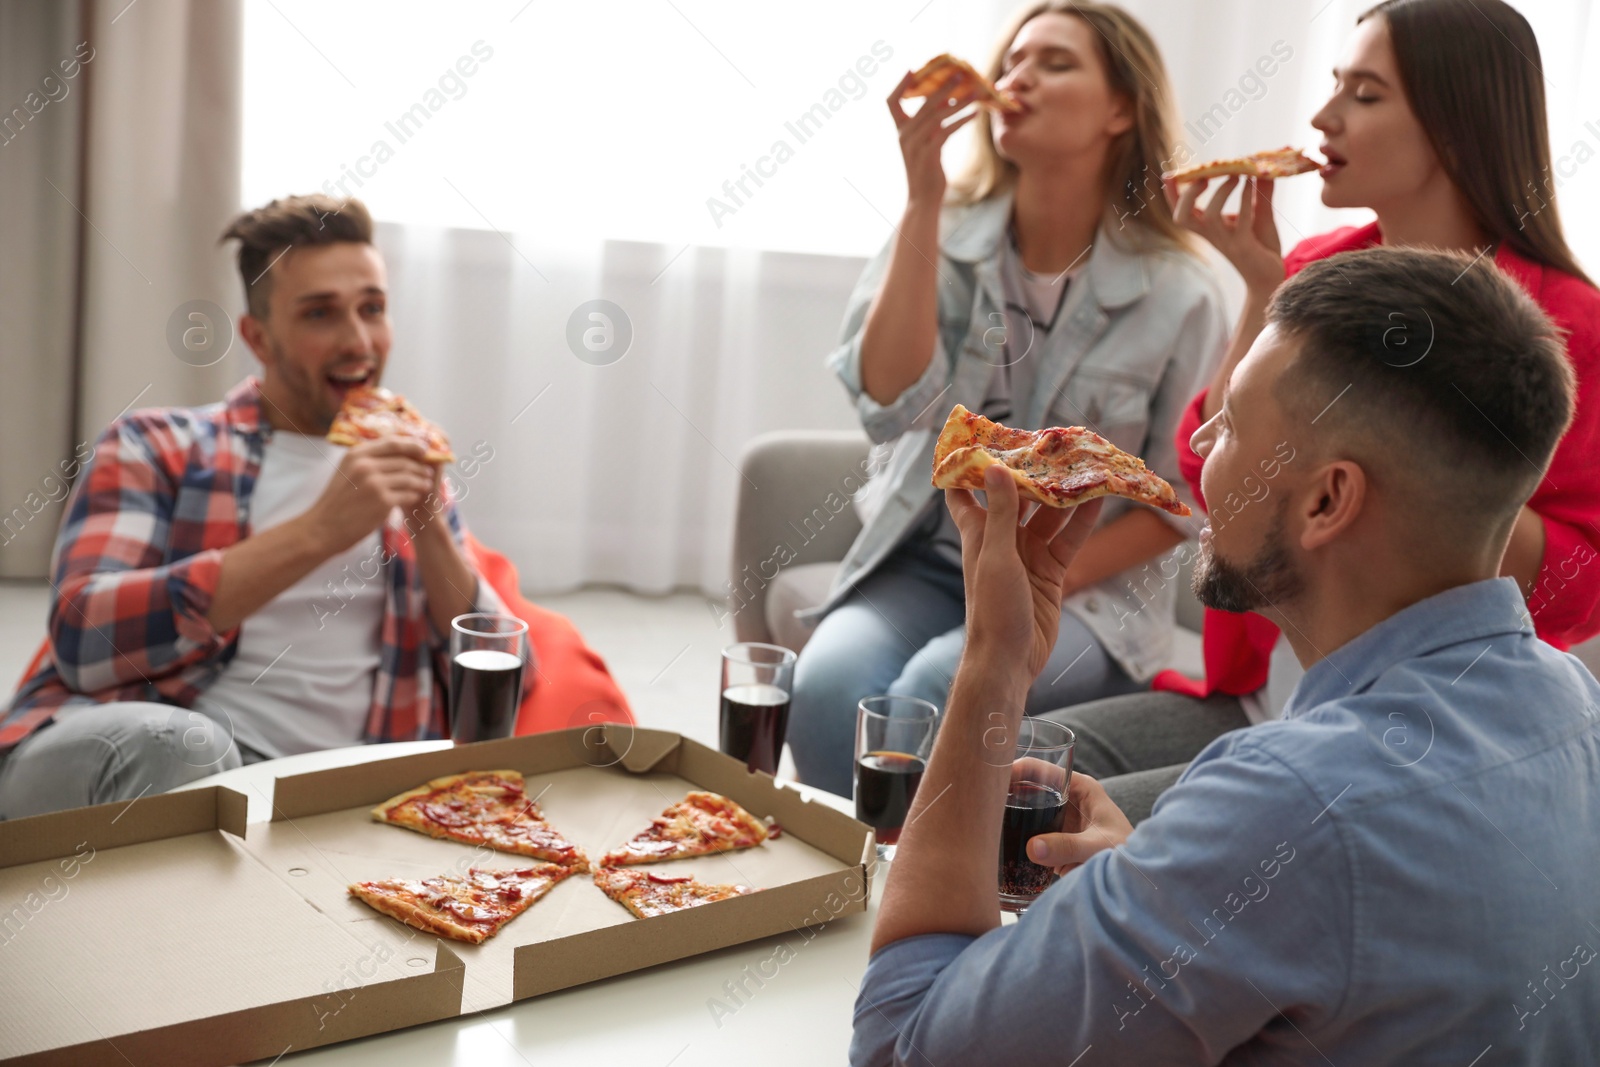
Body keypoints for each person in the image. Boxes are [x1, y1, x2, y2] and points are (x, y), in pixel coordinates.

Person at [852, 246, 1600, 1065]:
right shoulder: (1576, 709)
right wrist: (1156, 886)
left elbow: (907, 1043)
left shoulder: (1285, 804)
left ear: (1326, 500)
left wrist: (994, 658)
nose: (1202, 445)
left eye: (1234, 421)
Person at [1046, 0, 1600, 821]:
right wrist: (1262, 292)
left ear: (1455, 127)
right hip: (1258, 691)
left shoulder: (1565, 326)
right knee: (1013, 768)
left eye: (1365, 93)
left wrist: (1434, 459)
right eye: (1335, 81)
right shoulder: (1313, 269)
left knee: (1050, 831)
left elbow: (1579, 587)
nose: (1321, 114)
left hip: (1407, 730)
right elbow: (1213, 481)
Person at [788, 1, 1227, 796]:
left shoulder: (1182, 292)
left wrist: (1035, 578)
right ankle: (847, 894)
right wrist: (923, 200)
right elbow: (887, 407)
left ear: (1121, 108)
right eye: (1011, 62)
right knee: (825, 692)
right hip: (931, 561)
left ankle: (922, 903)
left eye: (1054, 63)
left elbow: (1180, 503)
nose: (1016, 78)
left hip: (1081, 591)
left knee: (936, 685)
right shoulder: (945, 231)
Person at [0, 195, 527, 819]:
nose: (358, 341)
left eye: (373, 309)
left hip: (326, 801)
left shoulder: (407, 461)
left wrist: (428, 520)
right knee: (187, 748)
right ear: (258, 337)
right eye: (320, 314)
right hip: (139, 753)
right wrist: (317, 533)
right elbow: (84, 643)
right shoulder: (156, 445)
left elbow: (507, 672)